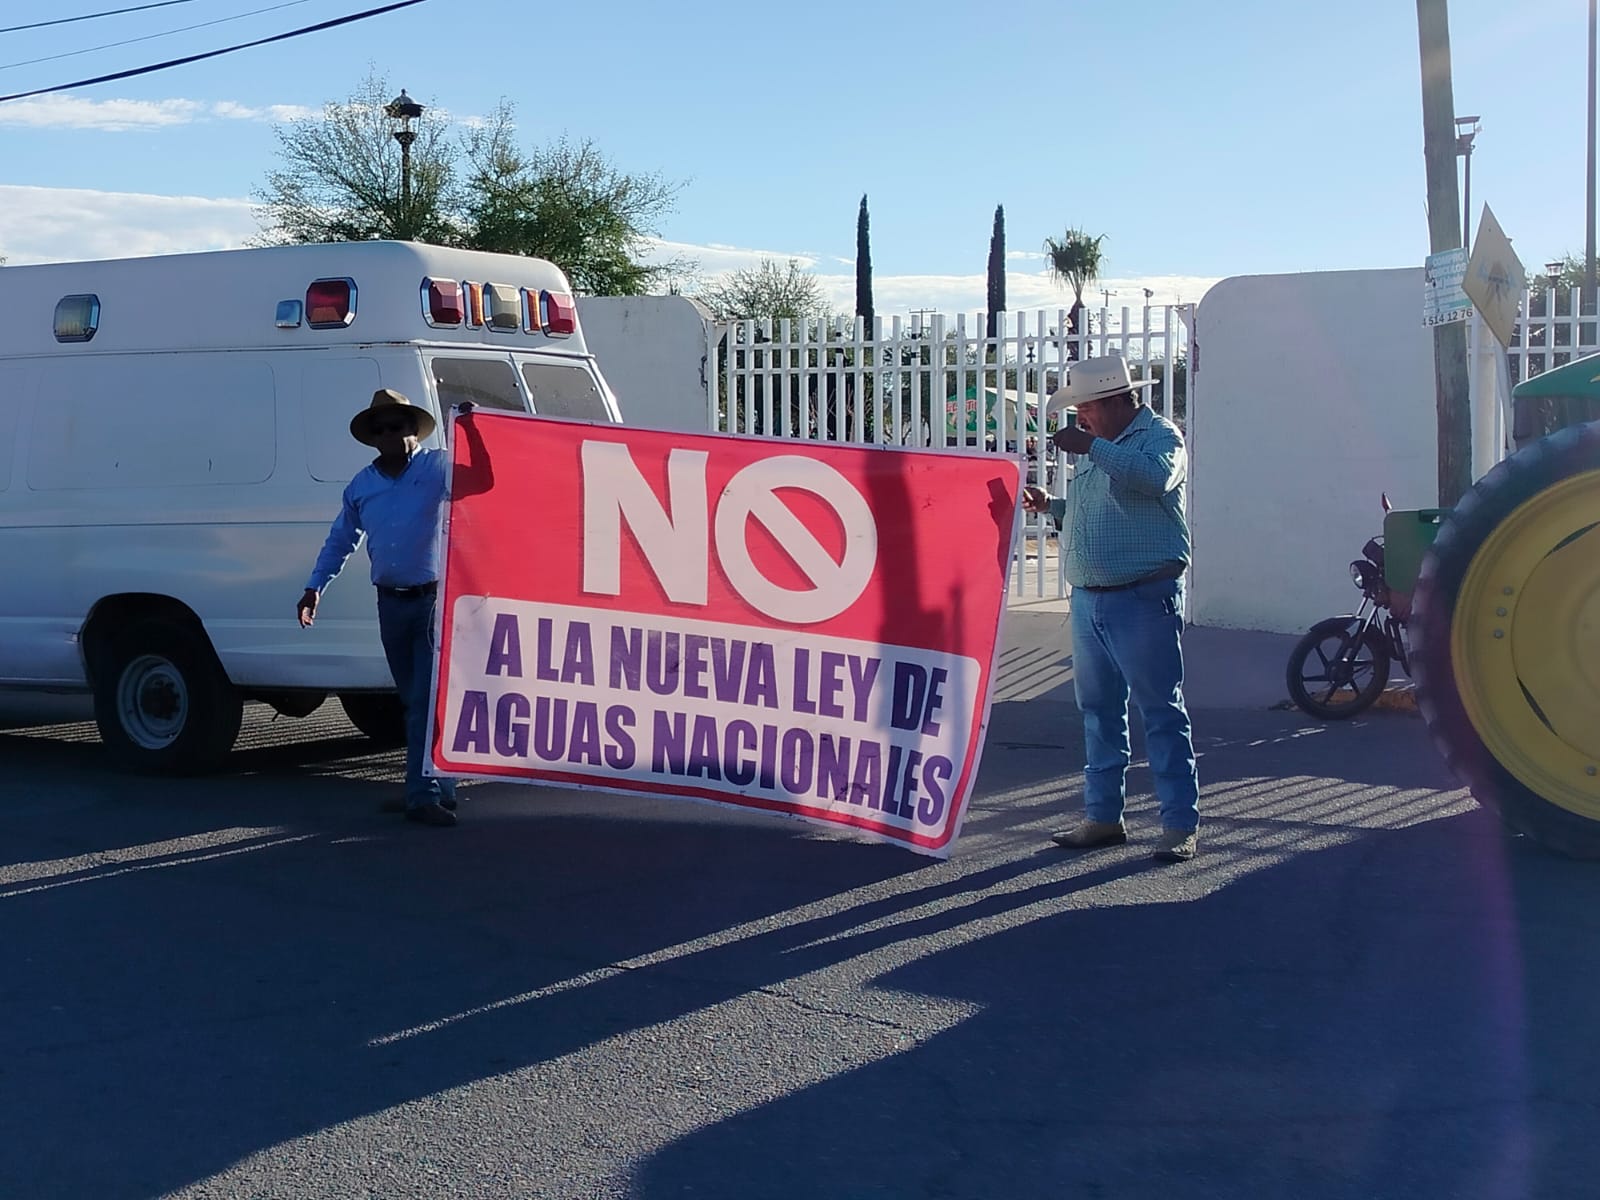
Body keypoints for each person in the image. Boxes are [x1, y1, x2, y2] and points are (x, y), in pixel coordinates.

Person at [1022, 355, 1199, 863]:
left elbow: (1153, 481)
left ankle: (1179, 825)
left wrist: (1093, 448)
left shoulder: (1160, 438)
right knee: (1099, 712)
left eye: (1086, 408)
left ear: (1117, 400)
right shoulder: (1101, 449)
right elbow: (1096, 511)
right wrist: (1052, 506)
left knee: (1160, 711)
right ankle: (1103, 817)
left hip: (1143, 598)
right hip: (1091, 601)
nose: (1080, 419)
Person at [298, 388, 459, 828]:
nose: (391, 435)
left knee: (425, 702)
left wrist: (478, 435)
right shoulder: (362, 485)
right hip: (390, 603)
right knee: (413, 700)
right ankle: (437, 786)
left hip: (432, 600)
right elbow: (341, 541)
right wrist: (315, 587)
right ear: (373, 437)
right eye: (382, 429)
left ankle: (421, 794)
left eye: (399, 426)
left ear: (413, 430)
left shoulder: (439, 467)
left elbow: (485, 482)